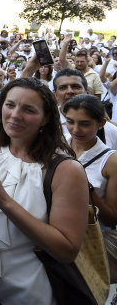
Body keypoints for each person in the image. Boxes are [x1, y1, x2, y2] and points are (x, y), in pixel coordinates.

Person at [0, 78, 88, 304]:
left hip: (29, 291)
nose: (15, 115)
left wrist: (4, 201)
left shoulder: (66, 170)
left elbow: (66, 250)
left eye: (28, 110)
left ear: (46, 118)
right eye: (10, 105)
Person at [64, 94, 117, 230]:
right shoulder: (58, 145)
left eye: (85, 124)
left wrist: (86, 188)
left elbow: (111, 219)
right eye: (70, 122)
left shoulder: (111, 161)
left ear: (101, 124)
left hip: (91, 242)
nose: (76, 130)